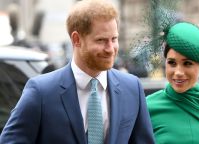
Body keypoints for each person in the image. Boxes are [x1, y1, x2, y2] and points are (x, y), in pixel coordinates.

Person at [0, 0, 155, 143]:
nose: (110, 49)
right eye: (101, 40)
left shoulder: (132, 87)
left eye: (114, 39)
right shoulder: (41, 92)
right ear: (76, 39)